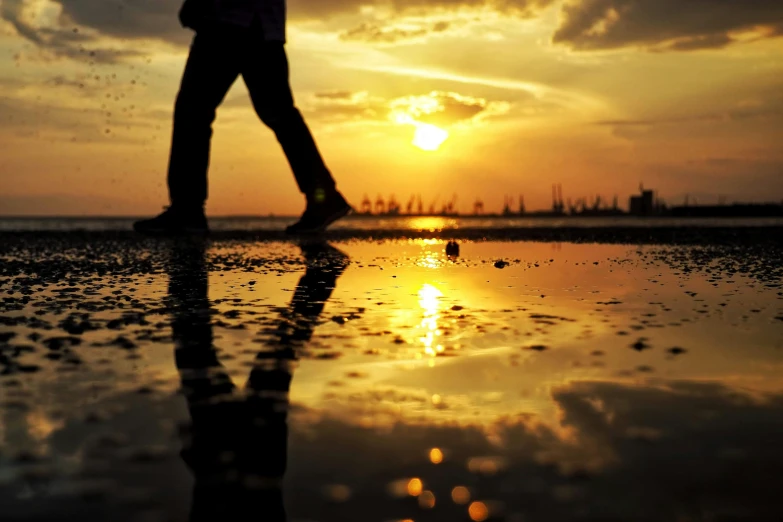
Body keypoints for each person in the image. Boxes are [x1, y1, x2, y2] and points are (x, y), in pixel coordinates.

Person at [134, 0, 351, 235]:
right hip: (265, 30)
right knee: (280, 115)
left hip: (226, 23)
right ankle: (323, 195)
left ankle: (187, 209)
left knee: (194, 111)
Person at [166, 239, 349, 520]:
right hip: (245, 471)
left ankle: (187, 263)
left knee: (269, 356)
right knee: (199, 352)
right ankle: (187, 263)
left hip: (245, 469)